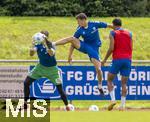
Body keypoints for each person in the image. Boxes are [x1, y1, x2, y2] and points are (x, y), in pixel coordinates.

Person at [53, 13, 113, 96]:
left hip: (94, 49)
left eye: (78, 22)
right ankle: (53, 44)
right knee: (72, 38)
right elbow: (73, 43)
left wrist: (118, 29)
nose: (78, 24)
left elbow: (108, 25)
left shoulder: (94, 24)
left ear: (83, 20)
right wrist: (70, 55)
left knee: (98, 69)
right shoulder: (79, 29)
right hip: (85, 46)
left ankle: (99, 86)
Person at [23, 30, 71, 111]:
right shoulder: (38, 45)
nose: (40, 38)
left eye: (43, 36)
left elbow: (51, 53)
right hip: (40, 68)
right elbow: (31, 54)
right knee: (26, 82)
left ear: (46, 37)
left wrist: (46, 45)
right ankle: (25, 103)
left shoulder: (51, 45)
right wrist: (32, 47)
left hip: (53, 70)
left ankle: (67, 105)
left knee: (60, 89)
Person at [102, 18, 133, 111]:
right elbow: (131, 47)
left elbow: (111, 48)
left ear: (114, 25)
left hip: (117, 59)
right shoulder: (129, 33)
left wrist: (104, 60)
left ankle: (113, 100)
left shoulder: (113, 33)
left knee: (109, 80)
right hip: (127, 60)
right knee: (124, 83)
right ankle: (122, 106)